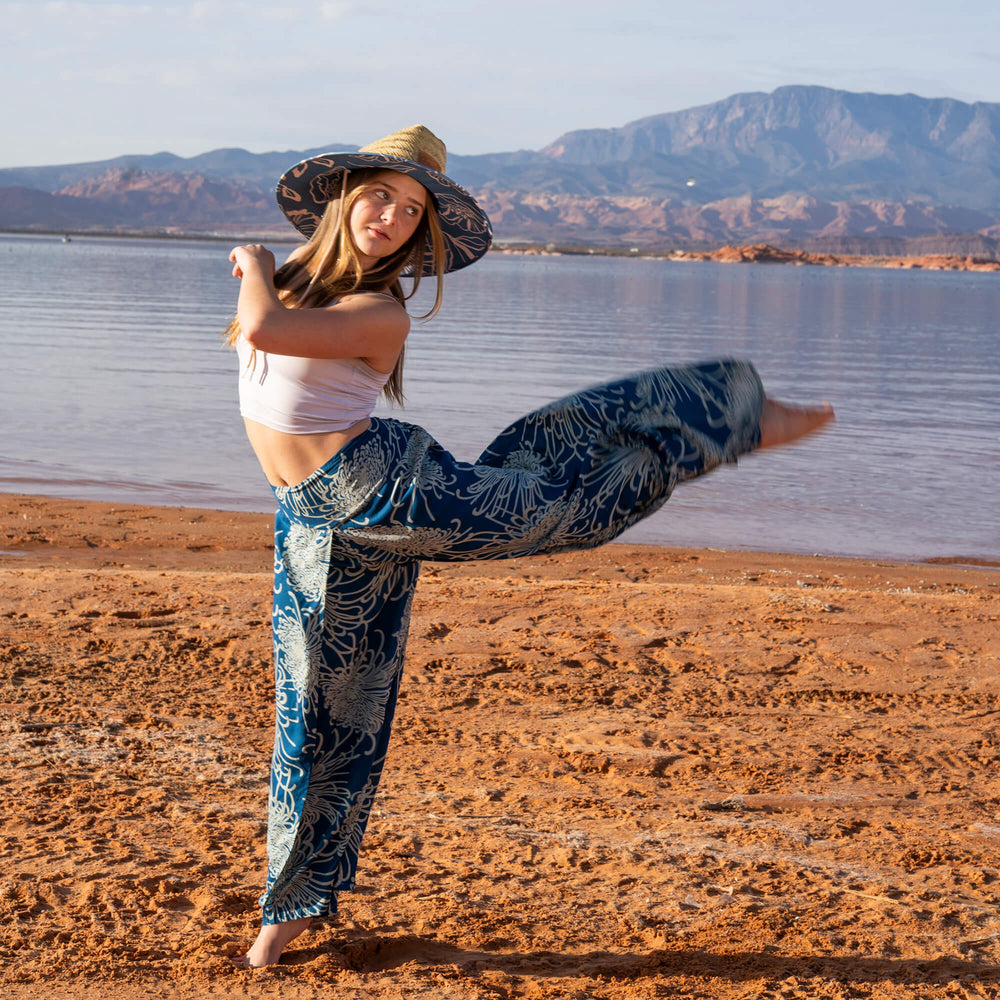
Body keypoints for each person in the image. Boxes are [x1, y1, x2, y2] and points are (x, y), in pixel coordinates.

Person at [226, 125, 833, 968]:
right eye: (381, 195)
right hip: (311, 518)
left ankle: (722, 423)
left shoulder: (377, 312)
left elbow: (260, 330)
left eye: (412, 211)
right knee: (326, 715)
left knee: (556, 498)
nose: (392, 217)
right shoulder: (301, 284)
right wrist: (269, 272)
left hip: (387, 491)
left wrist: (251, 264)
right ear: (343, 196)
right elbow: (272, 331)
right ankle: (283, 923)